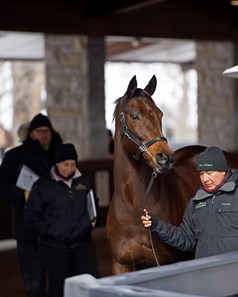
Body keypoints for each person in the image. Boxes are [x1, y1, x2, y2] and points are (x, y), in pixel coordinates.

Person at [24, 143, 100, 297]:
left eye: (73, 164)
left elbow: (93, 204)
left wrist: (90, 223)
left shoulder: (83, 182)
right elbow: (30, 214)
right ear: (57, 163)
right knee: (60, 289)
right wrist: (49, 231)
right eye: (65, 164)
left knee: (89, 287)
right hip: (54, 248)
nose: (69, 168)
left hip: (82, 246)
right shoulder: (42, 186)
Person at [0, 113, 62, 297]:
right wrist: (24, 196)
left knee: (58, 278)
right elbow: (2, 184)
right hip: (27, 229)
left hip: (56, 228)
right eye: (39, 131)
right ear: (31, 134)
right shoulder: (15, 156)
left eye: (47, 131)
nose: (44, 134)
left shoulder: (59, 153)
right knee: (34, 281)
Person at [141, 146, 238, 259]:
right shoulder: (196, 202)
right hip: (205, 272)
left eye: (209, 172)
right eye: (201, 174)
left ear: (223, 171)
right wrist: (156, 225)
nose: (205, 179)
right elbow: (186, 240)